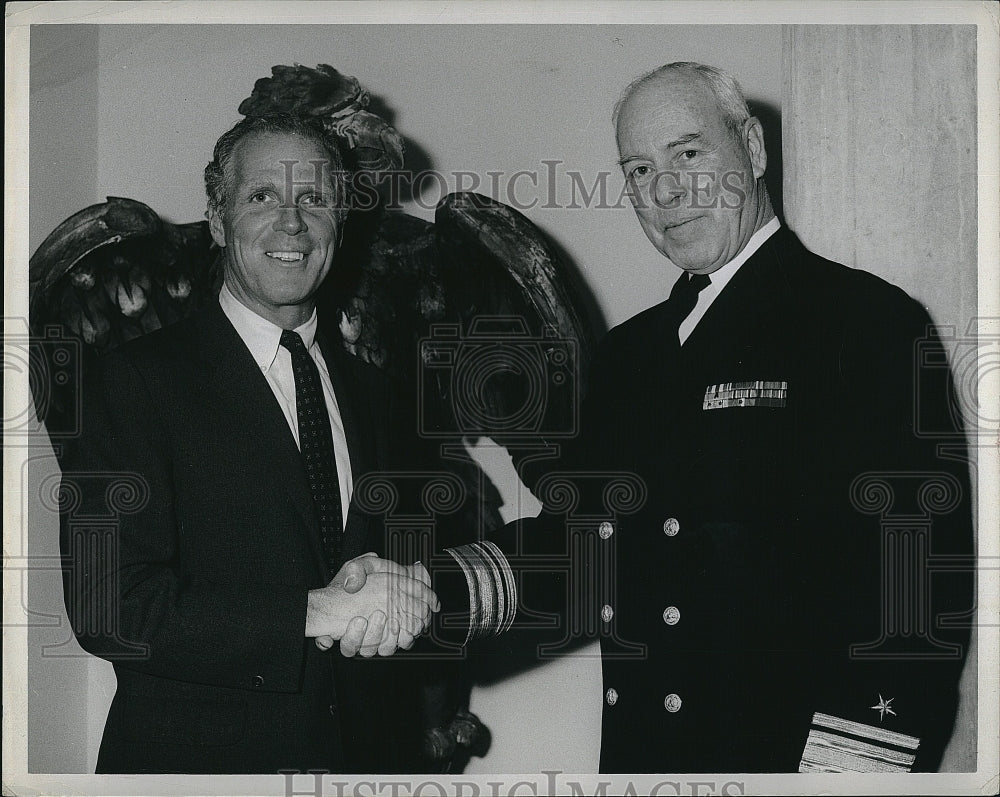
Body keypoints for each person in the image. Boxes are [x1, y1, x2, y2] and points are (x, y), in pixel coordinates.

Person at [391, 61, 974, 773]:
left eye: (689, 154)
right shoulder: (630, 356)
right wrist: (428, 589)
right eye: (638, 171)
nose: (665, 191)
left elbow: (913, 600)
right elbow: (588, 548)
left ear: (753, 150)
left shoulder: (865, 325)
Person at [57, 113, 440, 774]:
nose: (291, 223)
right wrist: (312, 611)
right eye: (262, 196)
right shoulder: (133, 380)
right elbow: (107, 606)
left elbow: (399, 577)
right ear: (216, 219)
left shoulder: (383, 395)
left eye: (313, 199)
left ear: (338, 225)